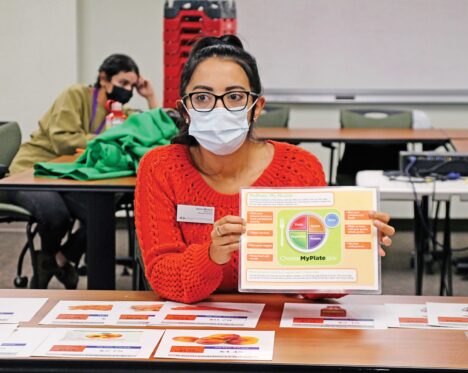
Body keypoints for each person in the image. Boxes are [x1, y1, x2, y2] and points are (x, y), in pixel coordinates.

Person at [135, 36, 395, 304]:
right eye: (202, 97)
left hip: (277, 323)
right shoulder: (161, 167)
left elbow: (318, 287)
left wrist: (353, 252)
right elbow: (164, 277)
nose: (219, 108)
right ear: (185, 110)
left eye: (235, 97)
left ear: (256, 108)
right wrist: (211, 255)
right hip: (193, 326)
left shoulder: (299, 168)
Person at [10, 54, 159, 289]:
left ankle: (54, 261)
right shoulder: (76, 95)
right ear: (103, 78)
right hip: (33, 172)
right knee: (55, 214)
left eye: (132, 85)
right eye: (123, 83)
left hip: (69, 177)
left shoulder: (120, 112)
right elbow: (62, 141)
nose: (128, 90)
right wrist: (105, 139)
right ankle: (52, 261)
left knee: (100, 215)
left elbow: (153, 129)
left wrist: (150, 96)